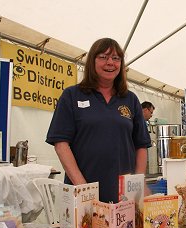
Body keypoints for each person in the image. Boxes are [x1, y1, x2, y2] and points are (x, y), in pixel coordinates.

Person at [46, 38, 151, 203]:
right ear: (92, 61)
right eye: (103, 57)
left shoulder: (130, 99)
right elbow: (61, 143)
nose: (110, 63)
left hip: (123, 195)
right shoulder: (72, 95)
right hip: (82, 191)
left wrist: (137, 184)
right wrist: (83, 189)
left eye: (116, 58)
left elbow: (141, 145)